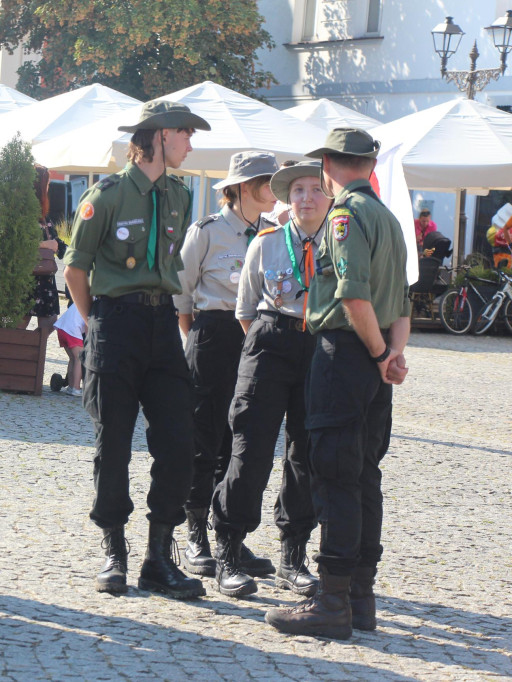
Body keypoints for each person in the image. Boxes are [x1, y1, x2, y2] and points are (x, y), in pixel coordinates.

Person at [266, 127, 411, 640]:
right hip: (375, 359)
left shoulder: (345, 216)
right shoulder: (390, 219)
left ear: (328, 164)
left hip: (346, 355)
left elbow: (352, 297)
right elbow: (403, 302)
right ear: (369, 164)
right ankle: (359, 596)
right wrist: (392, 355)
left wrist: (375, 354)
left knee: (335, 476)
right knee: (365, 475)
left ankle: (331, 602)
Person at [64, 100, 209, 598]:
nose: (191, 144)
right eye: (186, 133)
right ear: (161, 135)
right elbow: (75, 270)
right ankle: (113, 550)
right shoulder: (104, 195)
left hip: (161, 323)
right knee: (115, 443)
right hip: (116, 322)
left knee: (178, 438)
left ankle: (158, 556)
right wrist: (96, 322)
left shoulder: (179, 193)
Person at [210, 161, 328, 598]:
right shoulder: (266, 242)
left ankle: (292, 555)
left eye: (316, 189)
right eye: (298, 190)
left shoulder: (340, 244)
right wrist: (272, 345)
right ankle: (228, 549)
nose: (307, 198)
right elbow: (245, 312)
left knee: (306, 454)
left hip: (319, 346)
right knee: (250, 448)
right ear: (287, 198)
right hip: (270, 340)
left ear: (329, 196)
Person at [174, 151, 279, 580]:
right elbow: (181, 295)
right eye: (269, 182)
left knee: (242, 441)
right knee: (205, 438)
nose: (277, 190)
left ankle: (228, 535)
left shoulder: (274, 235)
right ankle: (196, 533)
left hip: (255, 340)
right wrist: (196, 338)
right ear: (242, 187)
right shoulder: (207, 232)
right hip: (213, 334)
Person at [19, 165, 66, 338]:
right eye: (47, 184)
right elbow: (18, 243)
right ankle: (22, 350)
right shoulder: (24, 214)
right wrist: (46, 245)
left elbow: (55, 242)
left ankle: (31, 347)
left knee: (50, 323)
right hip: (28, 279)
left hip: (45, 280)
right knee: (15, 325)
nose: (48, 188)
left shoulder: (44, 215)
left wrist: (71, 252)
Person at [51, 301, 86, 396]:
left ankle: (71, 387)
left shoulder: (82, 296)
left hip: (61, 328)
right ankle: (76, 388)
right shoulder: (95, 303)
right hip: (72, 329)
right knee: (80, 358)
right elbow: (88, 325)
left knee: (73, 358)